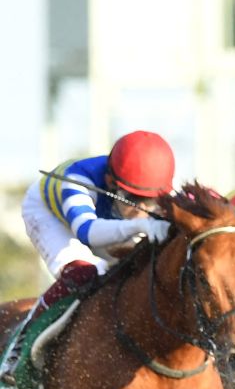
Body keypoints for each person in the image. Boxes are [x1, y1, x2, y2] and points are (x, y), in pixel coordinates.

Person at [22, 130, 175, 316]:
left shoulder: (161, 187)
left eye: (150, 200)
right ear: (110, 182)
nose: (142, 208)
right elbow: (86, 231)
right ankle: (24, 336)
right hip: (50, 215)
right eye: (133, 198)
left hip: (104, 222)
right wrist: (139, 225)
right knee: (82, 274)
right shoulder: (78, 179)